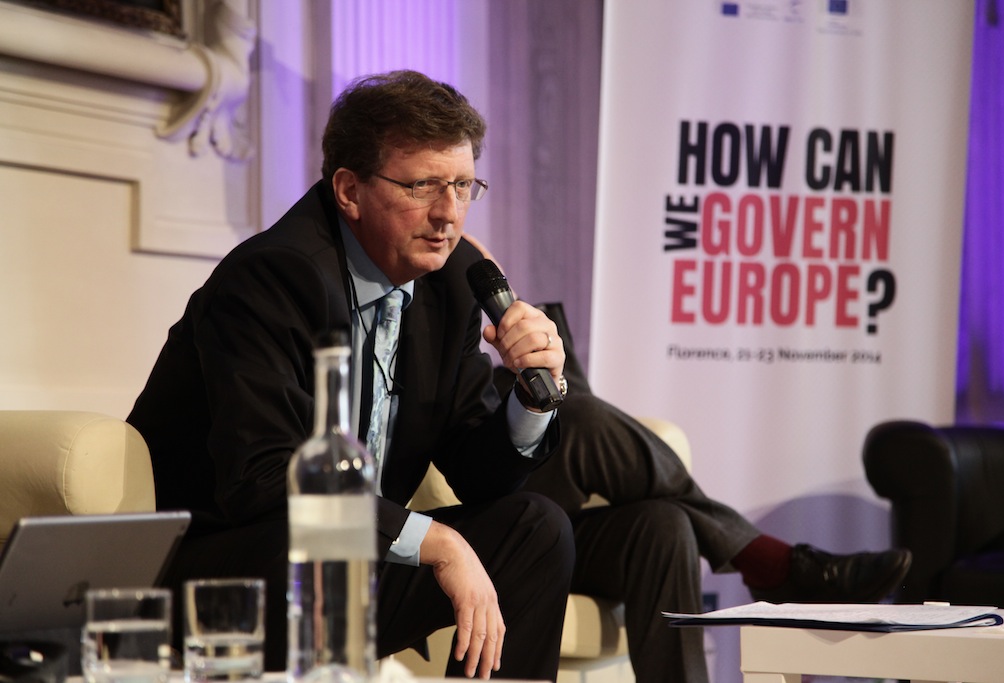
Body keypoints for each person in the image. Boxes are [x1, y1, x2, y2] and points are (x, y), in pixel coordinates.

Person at [127, 70, 576, 681]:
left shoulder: (448, 281)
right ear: (349, 190)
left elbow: (478, 472)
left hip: (352, 548)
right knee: (329, 554)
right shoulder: (272, 277)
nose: (449, 214)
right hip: (228, 561)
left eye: (463, 186)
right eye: (423, 186)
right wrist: (438, 543)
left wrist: (531, 396)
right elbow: (262, 480)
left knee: (536, 529)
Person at [463, 236, 911, 683]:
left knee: (663, 525)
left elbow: (558, 399)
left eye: (464, 193)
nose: (448, 212)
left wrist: (534, 347)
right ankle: (770, 563)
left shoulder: (497, 305)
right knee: (581, 419)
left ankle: (767, 570)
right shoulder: (431, 320)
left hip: (548, 510)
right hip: (484, 514)